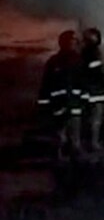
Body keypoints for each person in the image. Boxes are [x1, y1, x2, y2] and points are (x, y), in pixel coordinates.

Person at [36, 31, 86, 159]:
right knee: (59, 132)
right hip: (59, 104)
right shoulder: (54, 62)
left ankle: (75, 155)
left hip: (73, 102)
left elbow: (84, 82)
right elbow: (46, 83)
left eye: (73, 42)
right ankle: (59, 155)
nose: (71, 44)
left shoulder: (79, 61)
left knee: (74, 131)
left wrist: (85, 99)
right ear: (62, 43)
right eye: (69, 41)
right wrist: (43, 103)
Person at [80, 28, 104, 151]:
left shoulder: (83, 52)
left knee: (87, 117)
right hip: (95, 91)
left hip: (86, 91)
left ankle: (85, 141)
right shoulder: (94, 53)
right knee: (95, 119)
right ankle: (94, 143)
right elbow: (96, 72)